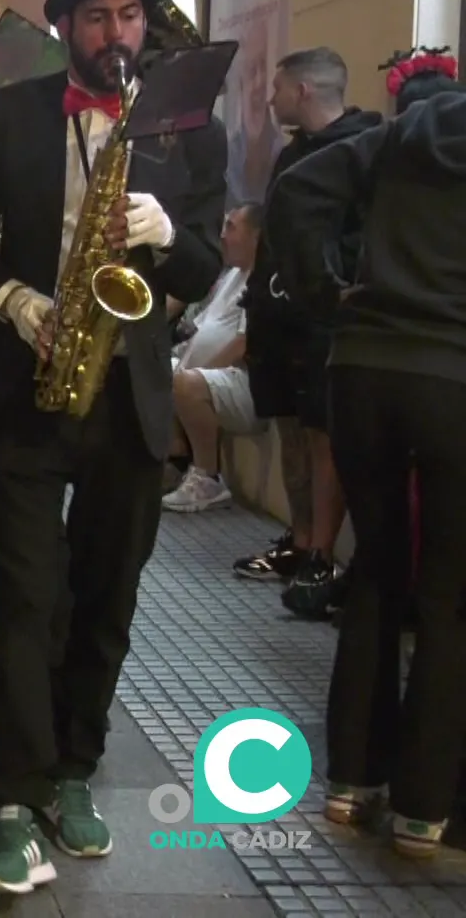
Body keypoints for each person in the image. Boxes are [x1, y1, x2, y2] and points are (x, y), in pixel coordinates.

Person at [0, 0, 225, 892]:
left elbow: (205, 266)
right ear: (66, 26)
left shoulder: (191, 130)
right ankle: (14, 805)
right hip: (28, 388)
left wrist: (168, 235)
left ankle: (73, 770)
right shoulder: (9, 115)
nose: (116, 33)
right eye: (98, 17)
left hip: (129, 398)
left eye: (130, 15)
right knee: (24, 599)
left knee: (106, 599)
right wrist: (19, 304)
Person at [267, 49, 466, 857]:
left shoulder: (405, 133)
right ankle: (424, 807)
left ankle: (351, 782)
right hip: (455, 379)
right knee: (450, 596)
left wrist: (322, 291)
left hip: (363, 369)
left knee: (378, 571)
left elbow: (296, 192)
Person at [234, 47, 377, 585]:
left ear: (303, 90)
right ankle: (298, 541)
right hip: (278, 316)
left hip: (323, 323)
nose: (271, 100)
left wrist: (333, 293)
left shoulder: (363, 151)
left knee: (323, 437)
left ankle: (320, 553)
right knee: (290, 431)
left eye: (278, 89)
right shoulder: (293, 153)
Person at [162, 203, 264, 512]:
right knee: (149, 370)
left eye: (231, 227)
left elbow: (244, 345)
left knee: (184, 384)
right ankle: (174, 458)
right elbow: (200, 326)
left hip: (246, 383)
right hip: (209, 375)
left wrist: (191, 372)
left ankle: (208, 477)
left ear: (256, 237)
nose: (222, 236)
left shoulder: (261, 279)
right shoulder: (232, 275)